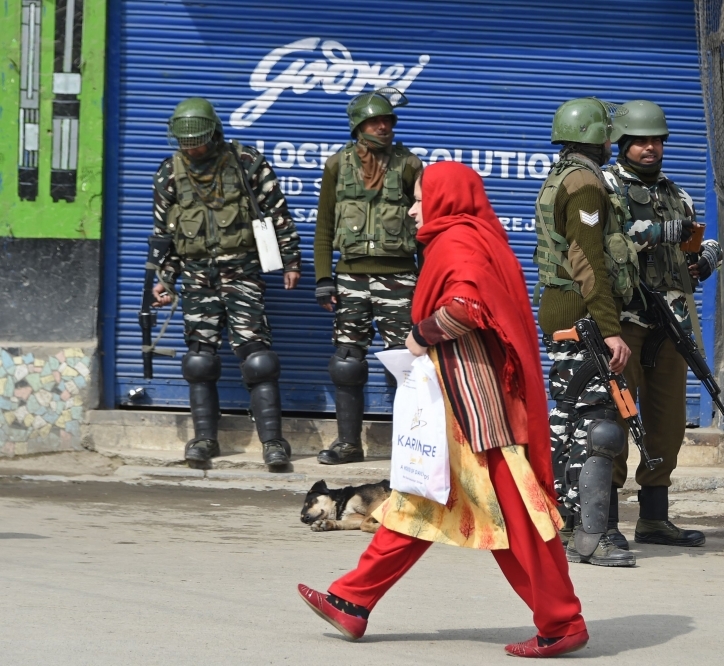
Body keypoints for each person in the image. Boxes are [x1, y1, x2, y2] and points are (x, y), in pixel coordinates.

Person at [298, 161, 588, 658]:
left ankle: (561, 622)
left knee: (517, 514)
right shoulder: (472, 235)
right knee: (420, 502)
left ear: (444, 200)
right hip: (461, 401)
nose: (412, 210)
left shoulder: (458, 241)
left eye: (418, 199)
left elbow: (466, 308)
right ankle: (352, 599)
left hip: (475, 407)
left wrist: (418, 335)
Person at [150, 97, 301, 469]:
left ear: (214, 132)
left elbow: (277, 212)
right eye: (186, 143)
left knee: (258, 357)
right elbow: (162, 233)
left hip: (243, 270)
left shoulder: (245, 162)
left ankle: (273, 442)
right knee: (199, 359)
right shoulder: (169, 172)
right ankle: (204, 439)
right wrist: (163, 278)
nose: (193, 149)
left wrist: (290, 260)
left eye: (198, 141)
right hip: (196, 275)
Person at [603, 99, 723, 548]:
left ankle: (654, 520)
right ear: (623, 143)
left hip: (670, 321)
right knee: (616, 418)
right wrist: (654, 233)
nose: (651, 148)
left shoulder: (677, 194)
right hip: (626, 319)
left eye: (657, 140)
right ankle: (607, 521)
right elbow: (604, 239)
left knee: (668, 421)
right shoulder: (605, 186)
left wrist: (704, 259)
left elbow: (688, 246)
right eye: (641, 141)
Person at [533, 98, 640, 567]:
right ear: (599, 136)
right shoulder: (586, 185)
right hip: (583, 313)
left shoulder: (562, 173)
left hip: (563, 308)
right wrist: (610, 328)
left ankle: (564, 528)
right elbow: (588, 259)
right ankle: (594, 538)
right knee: (599, 426)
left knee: (571, 423)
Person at [312, 88, 423, 465]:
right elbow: (324, 225)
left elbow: (426, 227)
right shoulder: (336, 166)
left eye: (389, 120)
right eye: (376, 120)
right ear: (358, 126)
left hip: (401, 278)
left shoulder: (410, 165)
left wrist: (429, 281)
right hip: (350, 279)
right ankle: (348, 444)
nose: (384, 126)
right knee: (347, 362)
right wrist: (324, 277)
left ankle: (408, 447)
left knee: (406, 364)